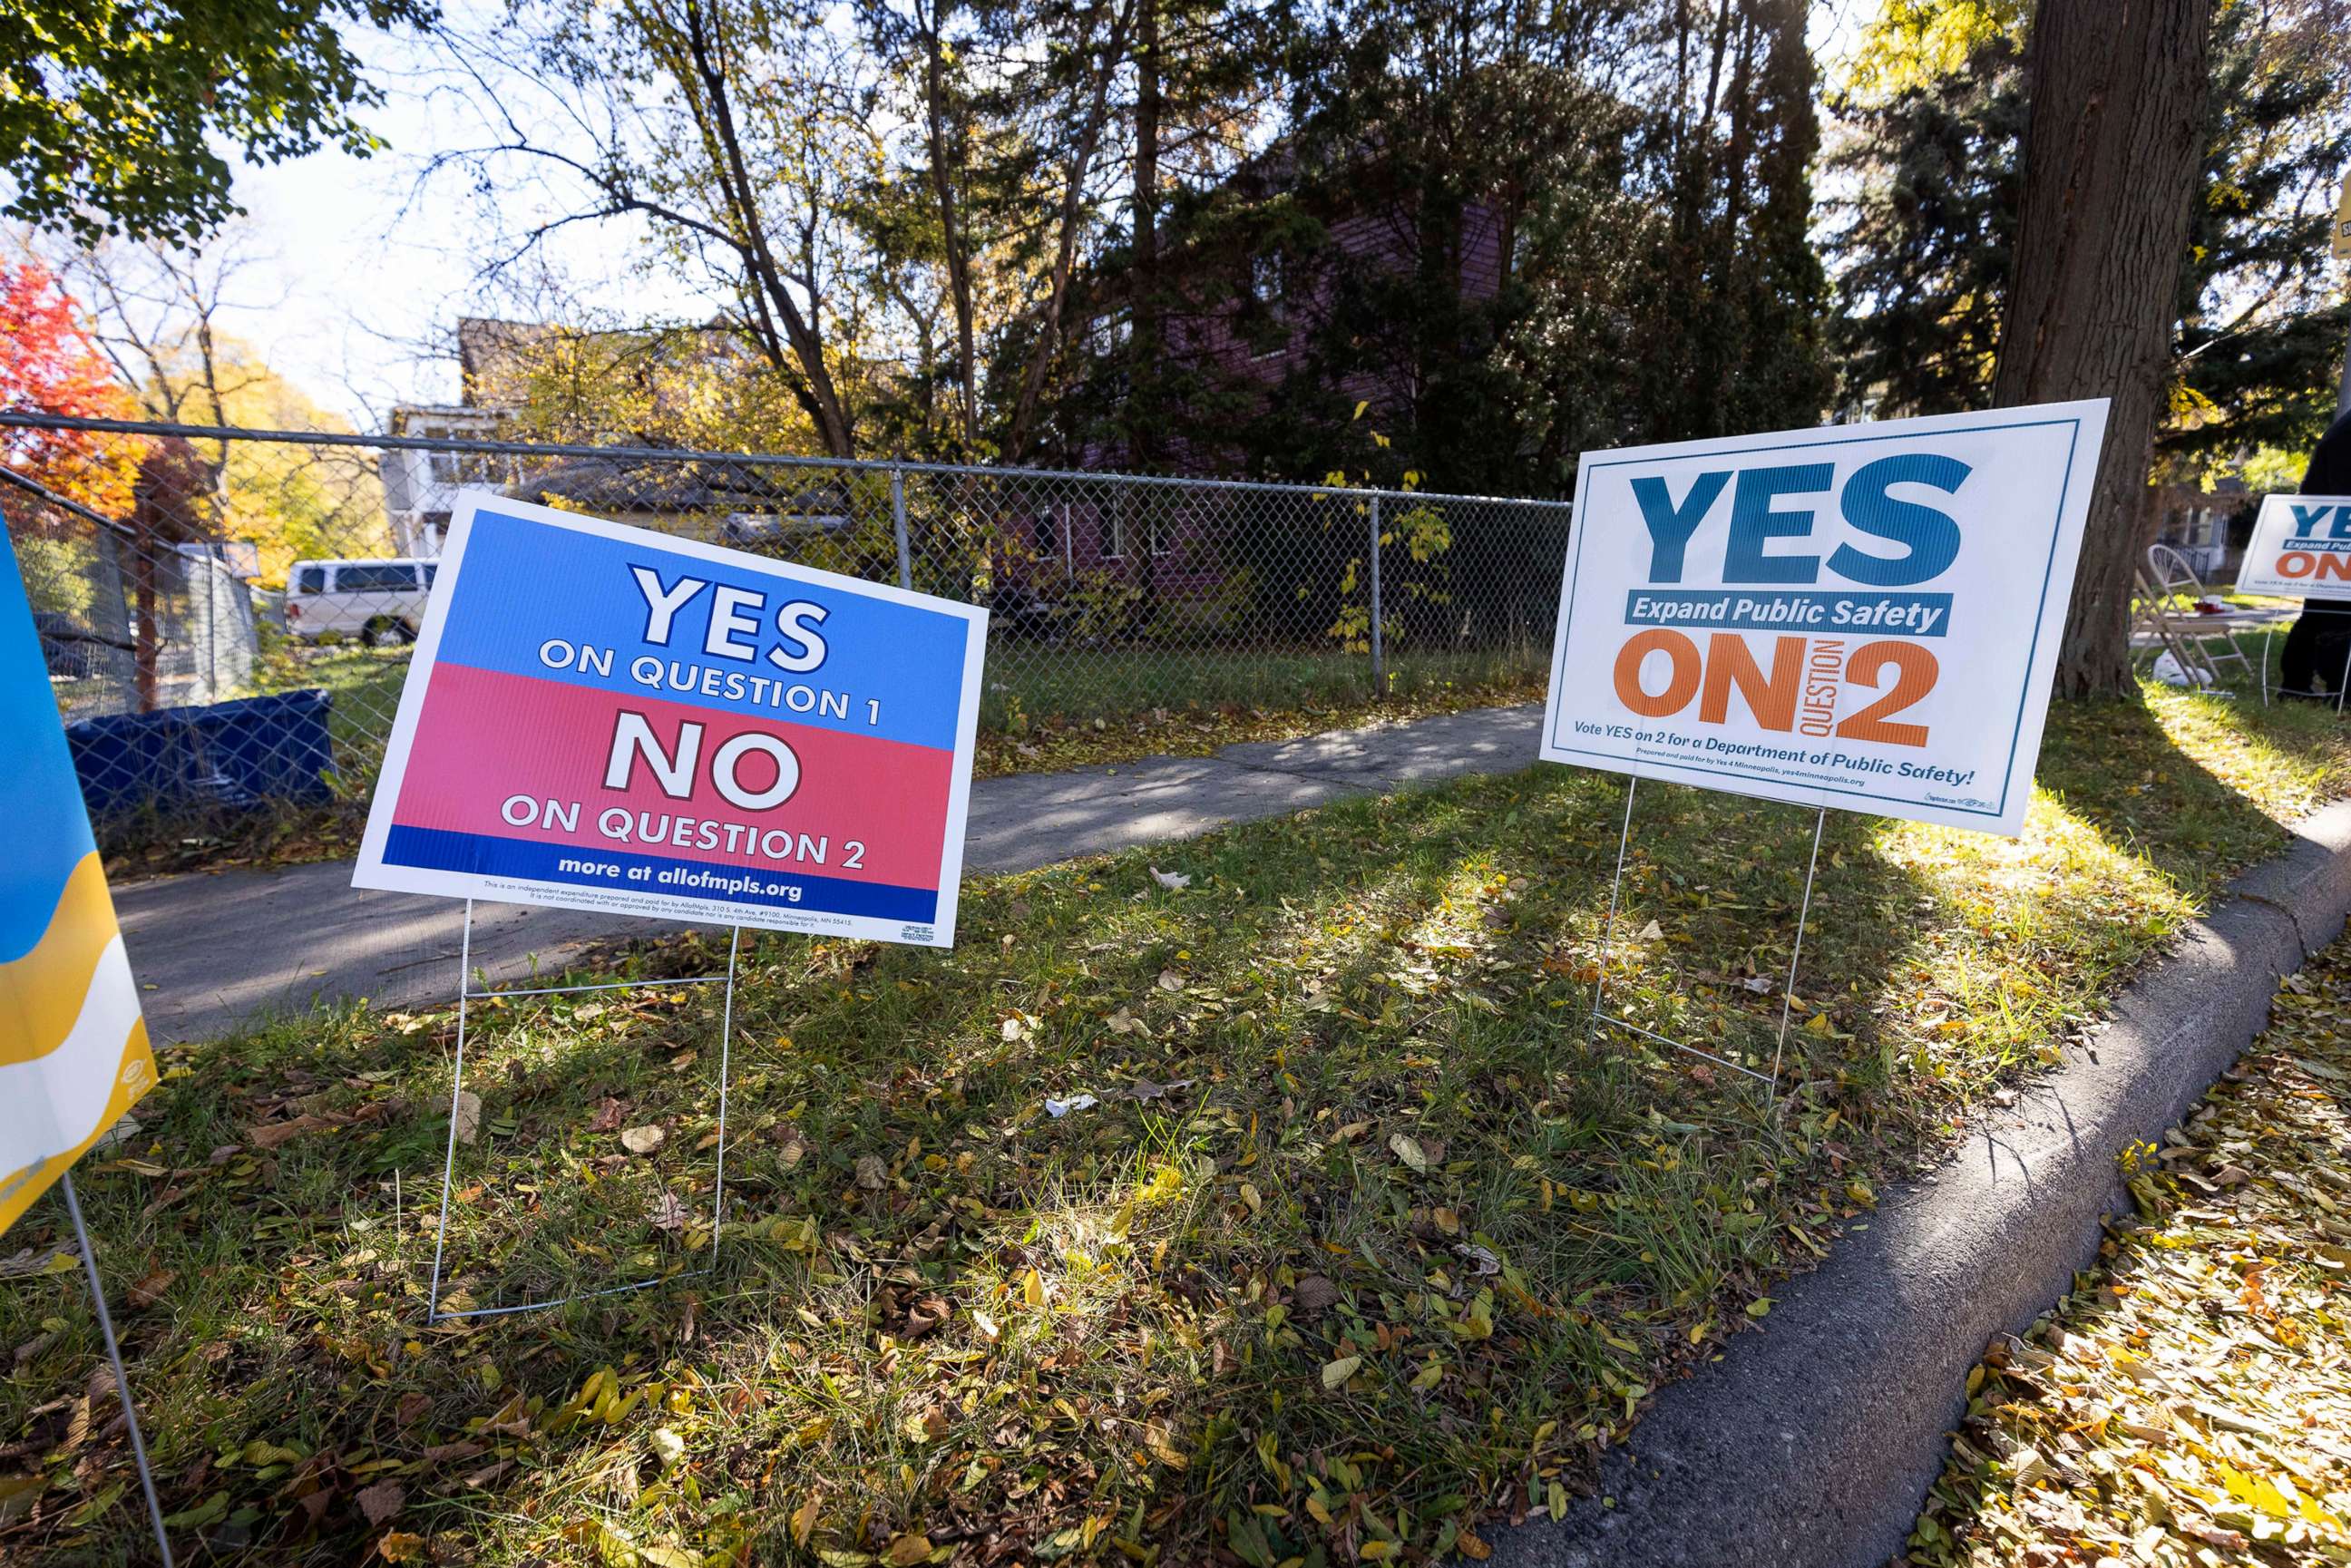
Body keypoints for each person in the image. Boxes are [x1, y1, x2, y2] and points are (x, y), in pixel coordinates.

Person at [2276, 406, 2351, 701]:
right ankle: (2337, 689)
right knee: (2334, 617)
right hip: (2332, 533)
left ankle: (2296, 686)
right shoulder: (2345, 435)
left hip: (2327, 531)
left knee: (2318, 615)